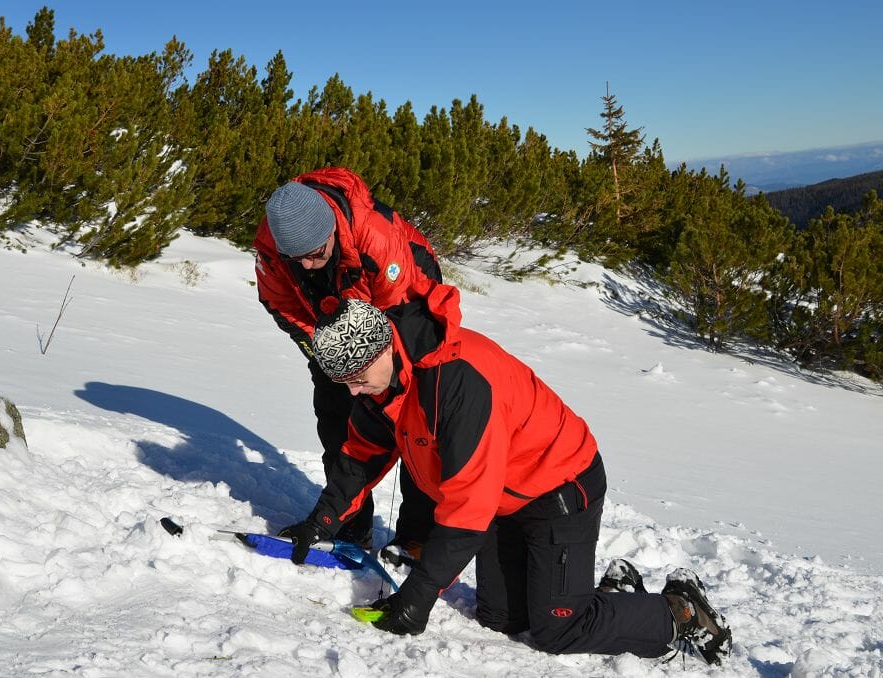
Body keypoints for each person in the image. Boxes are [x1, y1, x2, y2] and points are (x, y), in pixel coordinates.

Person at [283, 282, 733, 665]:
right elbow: (359, 456)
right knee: (502, 620)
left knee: (559, 630)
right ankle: (614, 595)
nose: (355, 390)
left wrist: (418, 595)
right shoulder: (382, 383)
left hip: (557, 482)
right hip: (503, 495)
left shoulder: (453, 382)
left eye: (358, 377)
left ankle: (679, 612)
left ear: (384, 346)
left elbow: (466, 504)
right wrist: (321, 521)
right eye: (346, 384)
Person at [254, 167, 441, 553]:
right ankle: (349, 526)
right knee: (336, 415)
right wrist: (329, 358)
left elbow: (402, 311)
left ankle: (417, 537)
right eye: (297, 258)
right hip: (331, 318)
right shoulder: (275, 246)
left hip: (408, 304)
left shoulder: (376, 237)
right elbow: (282, 304)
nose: (306, 265)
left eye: (315, 254)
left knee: (415, 419)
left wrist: (381, 372)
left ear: (331, 233)